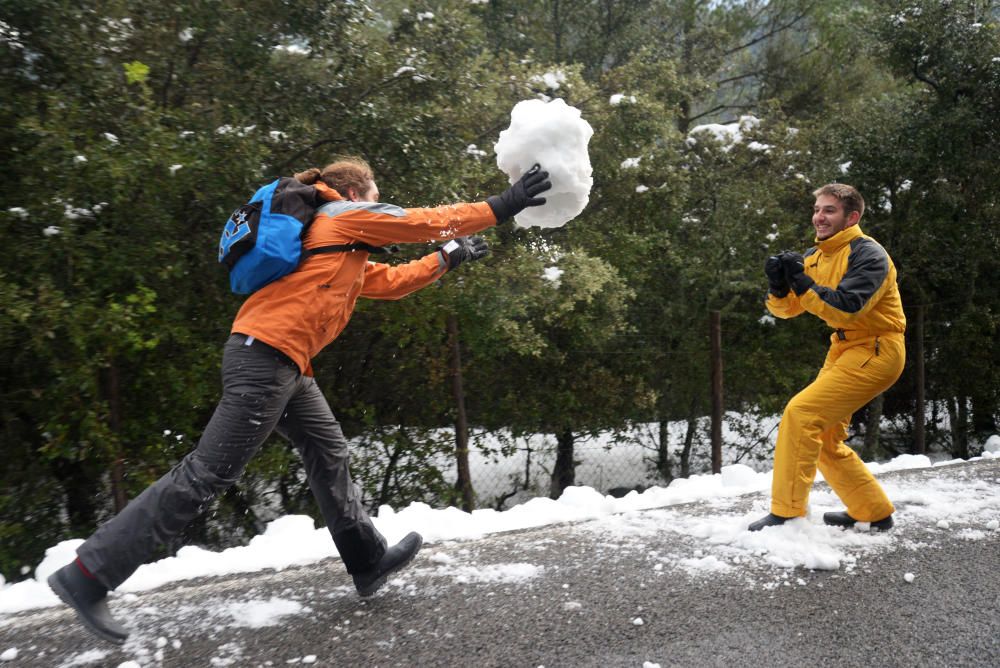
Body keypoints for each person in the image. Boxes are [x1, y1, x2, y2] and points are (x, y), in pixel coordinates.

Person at [47, 157, 552, 645]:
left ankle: (366, 559)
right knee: (208, 473)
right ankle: (89, 573)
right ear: (356, 193)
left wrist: (447, 258)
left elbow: (391, 282)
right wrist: (502, 205)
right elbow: (420, 221)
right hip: (263, 358)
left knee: (328, 452)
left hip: (287, 366)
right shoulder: (341, 216)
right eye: (377, 197)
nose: (381, 207)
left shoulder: (338, 250)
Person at [749, 183, 905, 533]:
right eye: (818, 209)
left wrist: (802, 282)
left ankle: (787, 513)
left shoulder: (869, 254)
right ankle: (872, 510)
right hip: (845, 350)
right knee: (824, 436)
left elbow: (847, 308)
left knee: (801, 413)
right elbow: (788, 309)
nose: (819, 216)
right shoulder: (816, 255)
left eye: (829, 210)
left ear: (852, 216)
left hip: (877, 350)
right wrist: (778, 287)